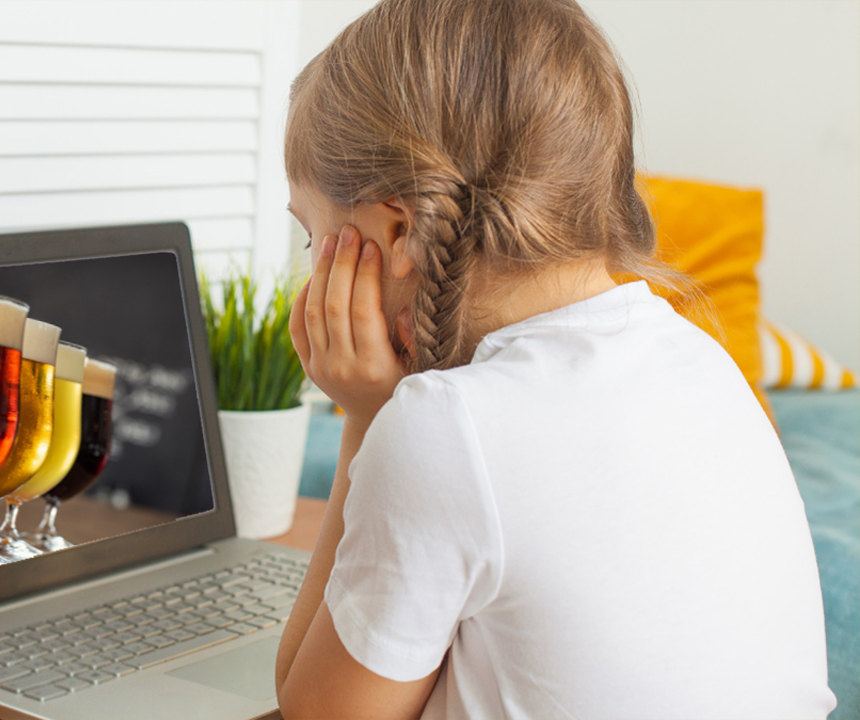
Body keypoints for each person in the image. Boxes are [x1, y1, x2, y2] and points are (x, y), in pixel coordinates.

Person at [273, 1, 836, 718]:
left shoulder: (441, 429)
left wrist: (368, 422)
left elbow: (313, 712)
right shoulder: (707, 364)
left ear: (398, 230)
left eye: (310, 236)